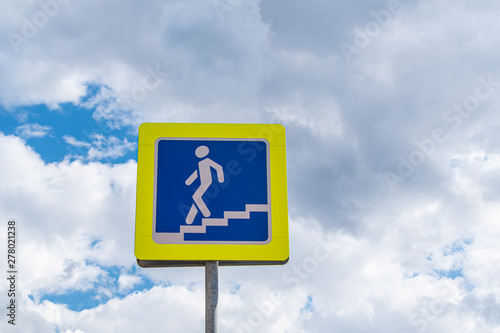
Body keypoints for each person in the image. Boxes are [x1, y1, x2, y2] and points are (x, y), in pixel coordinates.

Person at [184, 145, 225, 224]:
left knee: (196, 196)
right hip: (202, 182)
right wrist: (189, 181)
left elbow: (218, 167)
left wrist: (221, 179)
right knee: (197, 197)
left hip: (207, 182)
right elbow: (197, 173)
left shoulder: (207, 160)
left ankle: (206, 213)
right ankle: (190, 218)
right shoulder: (199, 163)